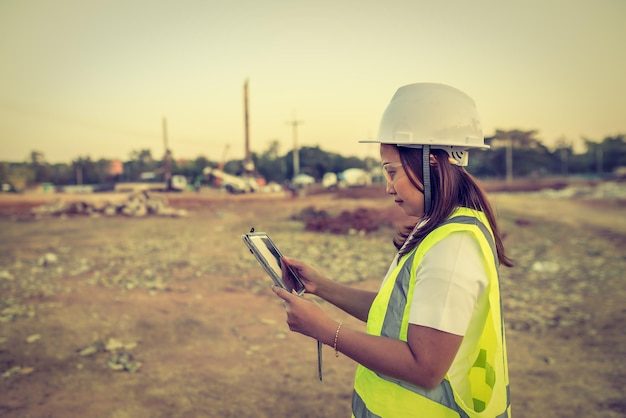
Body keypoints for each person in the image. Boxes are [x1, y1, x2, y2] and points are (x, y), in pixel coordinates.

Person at [272, 82, 513, 417]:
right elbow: (397, 316)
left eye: (391, 171)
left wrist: (327, 330)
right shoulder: (438, 229)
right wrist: (321, 286)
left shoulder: (453, 246)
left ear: (430, 163)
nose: (387, 187)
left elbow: (425, 367)